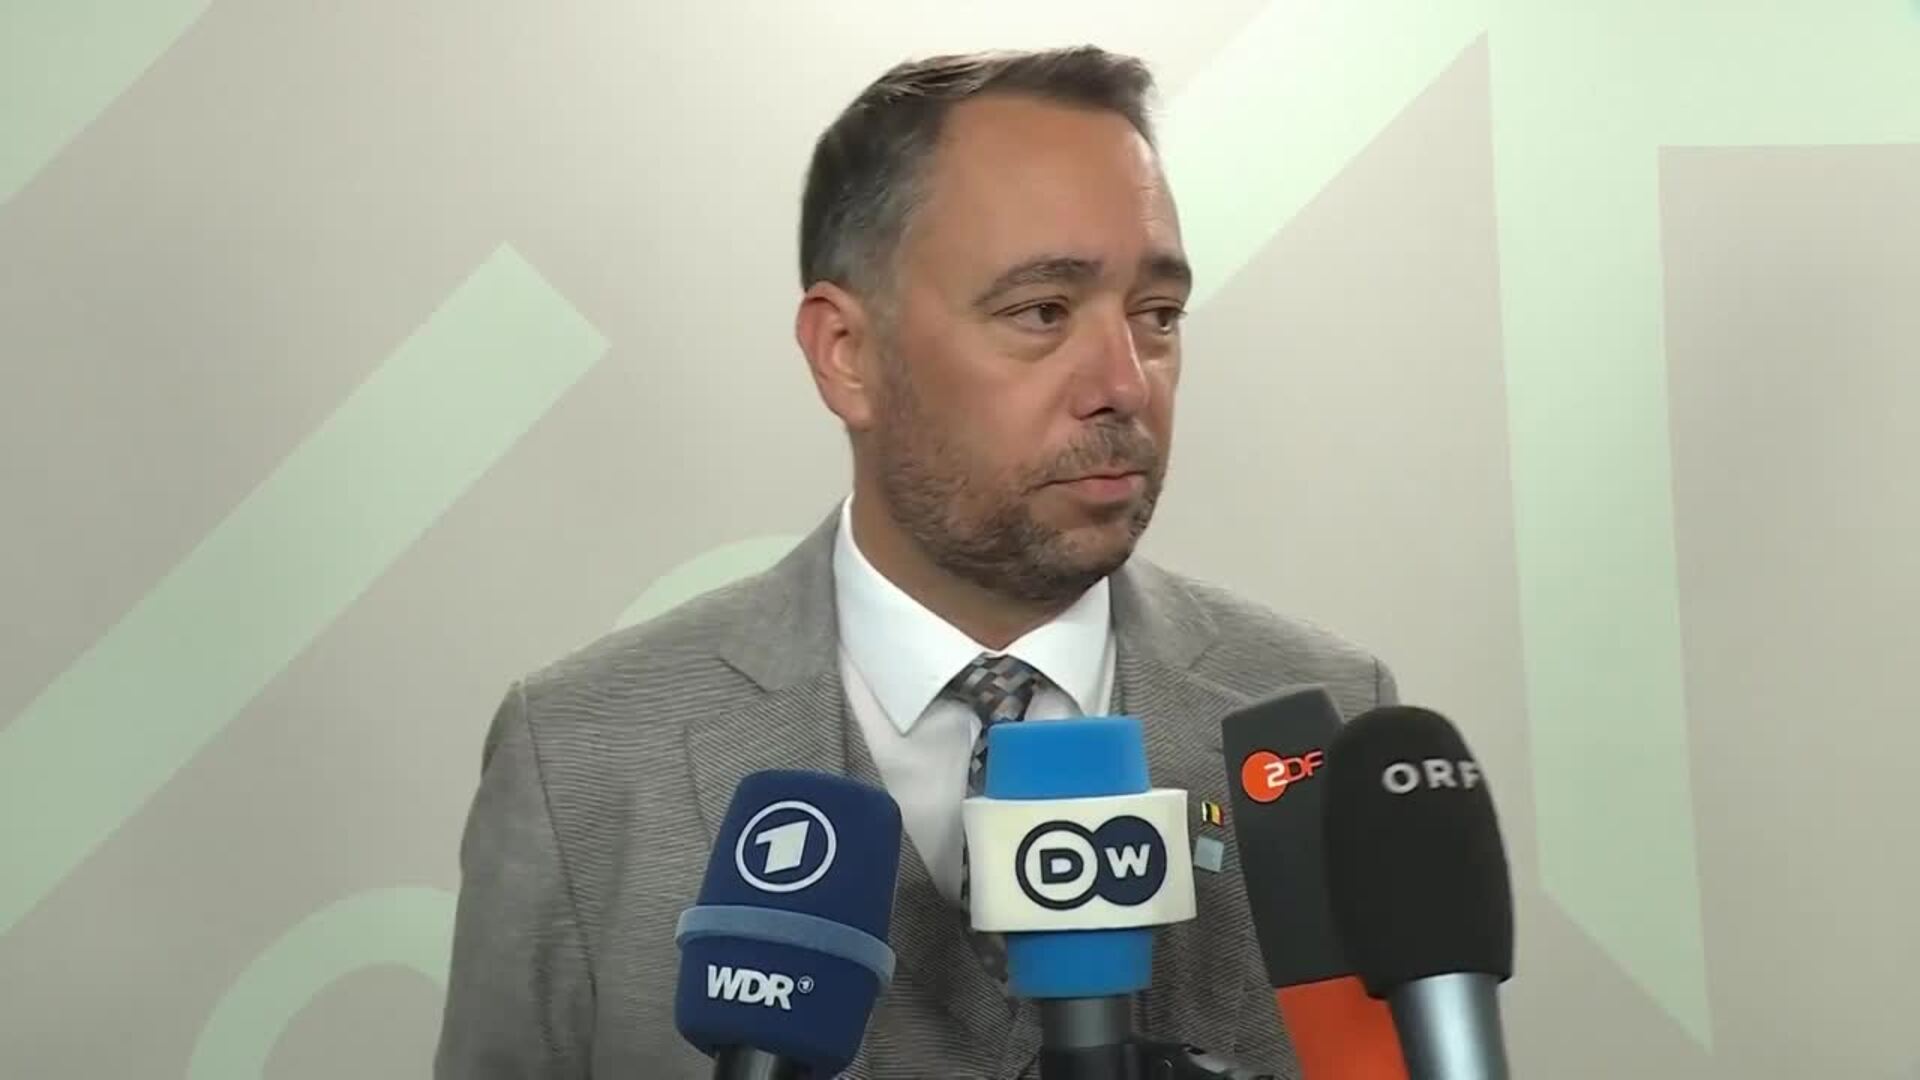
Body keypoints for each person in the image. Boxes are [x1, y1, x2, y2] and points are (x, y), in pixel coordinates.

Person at [434, 45, 1395, 1079]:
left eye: (1156, 316)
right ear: (846, 354)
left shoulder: (1324, 721)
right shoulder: (581, 755)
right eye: (1042, 311)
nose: (1124, 383)